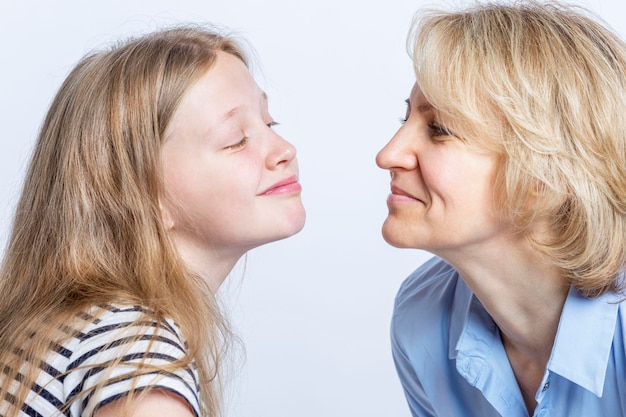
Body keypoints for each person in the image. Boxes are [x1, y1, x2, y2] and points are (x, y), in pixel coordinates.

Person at [0, 26, 305, 417]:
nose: (284, 150)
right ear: (140, 196)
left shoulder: (64, 328)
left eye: (269, 123)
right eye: (235, 140)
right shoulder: (139, 359)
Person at [376, 2, 626, 416]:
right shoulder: (421, 317)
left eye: (438, 129)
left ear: (544, 175)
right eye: (404, 119)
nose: (388, 155)